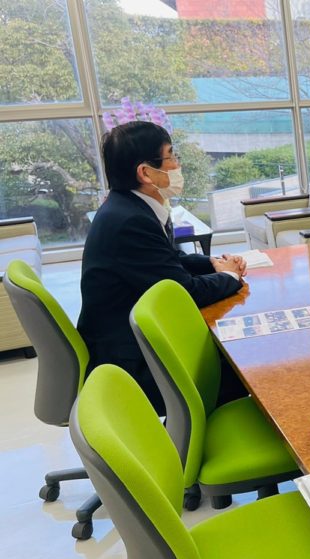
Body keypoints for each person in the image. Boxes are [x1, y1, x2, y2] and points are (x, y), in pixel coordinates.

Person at [78, 121, 247, 415]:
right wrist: (230, 276)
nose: (177, 164)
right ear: (145, 172)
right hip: (130, 363)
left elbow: (168, 259)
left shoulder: (128, 206)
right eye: (171, 156)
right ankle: (200, 437)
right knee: (242, 366)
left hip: (128, 341)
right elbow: (186, 293)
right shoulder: (130, 222)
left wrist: (211, 263)